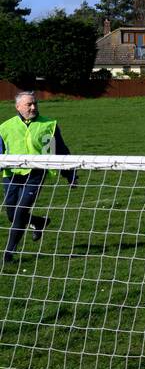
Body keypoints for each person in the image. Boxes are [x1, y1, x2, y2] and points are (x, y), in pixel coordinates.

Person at [0, 91, 76, 265]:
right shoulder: (5, 127)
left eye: (35, 104)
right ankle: (39, 222)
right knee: (12, 214)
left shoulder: (49, 125)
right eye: (29, 105)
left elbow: (61, 150)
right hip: (12, 175)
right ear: (18, 107)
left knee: (20, 212)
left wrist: (70, 174)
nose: (33, 107)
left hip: (36, 174)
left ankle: (8, 254)